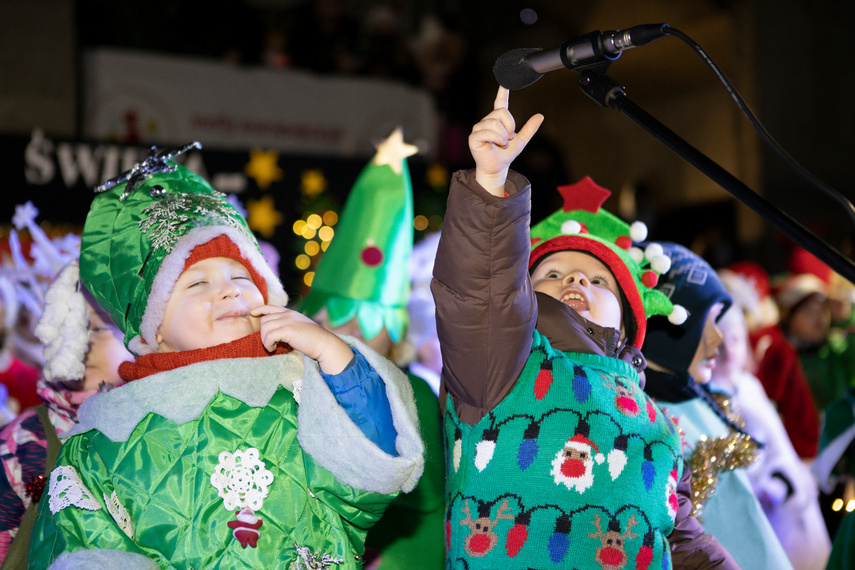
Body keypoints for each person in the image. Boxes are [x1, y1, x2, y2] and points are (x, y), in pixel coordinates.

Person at [26, 143, 425, 569]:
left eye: (241, 275)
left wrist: (333, 352)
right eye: (196, 283)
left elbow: (375, 474)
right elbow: (81, 551)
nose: (230, 288)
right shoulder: (103, 441)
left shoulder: (302, 390)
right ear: (154, 327)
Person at [432, 86, 736, 568]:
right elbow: (480, 291)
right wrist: (490, 187)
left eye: (599, 279)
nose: (575, 278)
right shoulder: (502, 362)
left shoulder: (657, 418)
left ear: (629, 319)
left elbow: (683, 543)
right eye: (551, 274)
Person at [299, 128, 444, 569]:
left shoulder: (412, 392)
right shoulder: (292, 386)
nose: (346, 340)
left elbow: (420, 486)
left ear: (395, 335)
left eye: (365, 327)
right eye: (330, 324)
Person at [642, 242, 793, 569]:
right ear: (666, 330)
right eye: (702, 323)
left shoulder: (703, 398)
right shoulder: (649, 420)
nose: (718, 340)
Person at [0, 260, 133, 567]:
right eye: (67, 325)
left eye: (98, 328)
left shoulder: (157, 426)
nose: (80, 343)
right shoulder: (24, 441)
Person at [709, 294, 830, 570]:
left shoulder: (749, 386)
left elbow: (777, 443)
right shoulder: (708, 396)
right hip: (760, 513)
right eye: (720, 340)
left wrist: (783, 481)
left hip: (787, 498)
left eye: (736, 339)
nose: (729, 350)